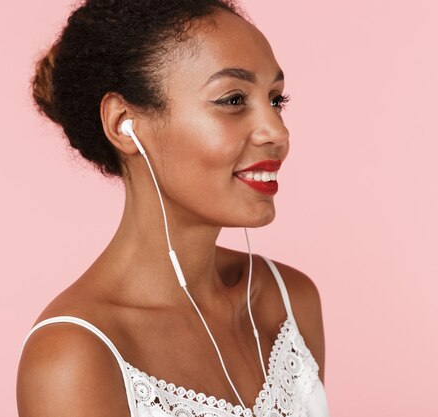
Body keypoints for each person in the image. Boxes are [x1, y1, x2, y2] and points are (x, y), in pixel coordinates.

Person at [17, 1, 331, 416]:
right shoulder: (75, 357)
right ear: (124, 123)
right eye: (233, 99)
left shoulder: (288, 302)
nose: (278, 132)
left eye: (276, 99)